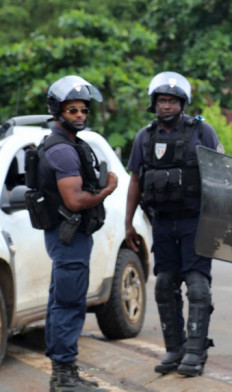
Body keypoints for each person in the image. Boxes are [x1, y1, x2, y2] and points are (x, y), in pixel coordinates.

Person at [125, 71, 223, 377]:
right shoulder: (144, 136)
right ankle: (174, 349)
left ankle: (195, 352)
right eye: (162, 101)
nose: (166, 106)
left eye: (172, 101)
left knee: (197, 284)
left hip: (196, 220)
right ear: (154, 104)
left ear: (183, 103)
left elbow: (221, 176)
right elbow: (136, 182)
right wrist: (128, 223)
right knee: (165, 285)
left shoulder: (202, 131)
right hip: (163, 222)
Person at [37, 75, 116, 392]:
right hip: (68, 236)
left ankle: (64, 372)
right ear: (58, 112)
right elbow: (74, 199)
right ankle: (63, 376)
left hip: (70, 237)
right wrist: (108, 190)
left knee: (62, 302)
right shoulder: (62, 151)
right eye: (73, 110)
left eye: (83, 110)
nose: (80, 115)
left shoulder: (70, 145)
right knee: (68, 304)